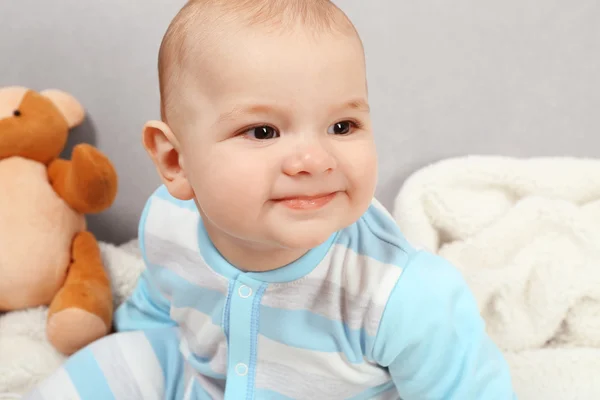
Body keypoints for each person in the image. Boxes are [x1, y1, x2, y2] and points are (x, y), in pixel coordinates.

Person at [24, 0, 517, 399]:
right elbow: (161, 304)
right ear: (176, 162)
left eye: (342, 126)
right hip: (198, 382)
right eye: (263, 131)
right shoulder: (168, 221)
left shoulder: (403, 296)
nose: (314, 159)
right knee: (116, 361)